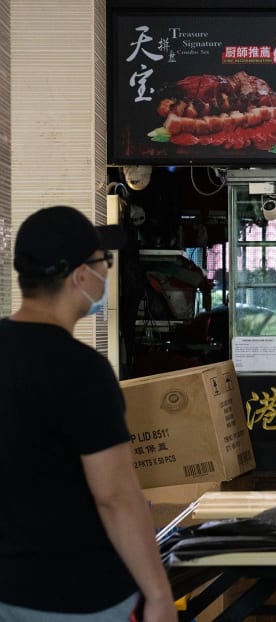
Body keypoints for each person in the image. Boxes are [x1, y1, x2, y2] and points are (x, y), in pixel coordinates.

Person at [0, 206, 176, 622]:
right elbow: (115, 496)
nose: (106, 273)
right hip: (76, 594)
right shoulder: (81, 370)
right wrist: (157, 593)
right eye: (103, 262)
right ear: (80, 276)